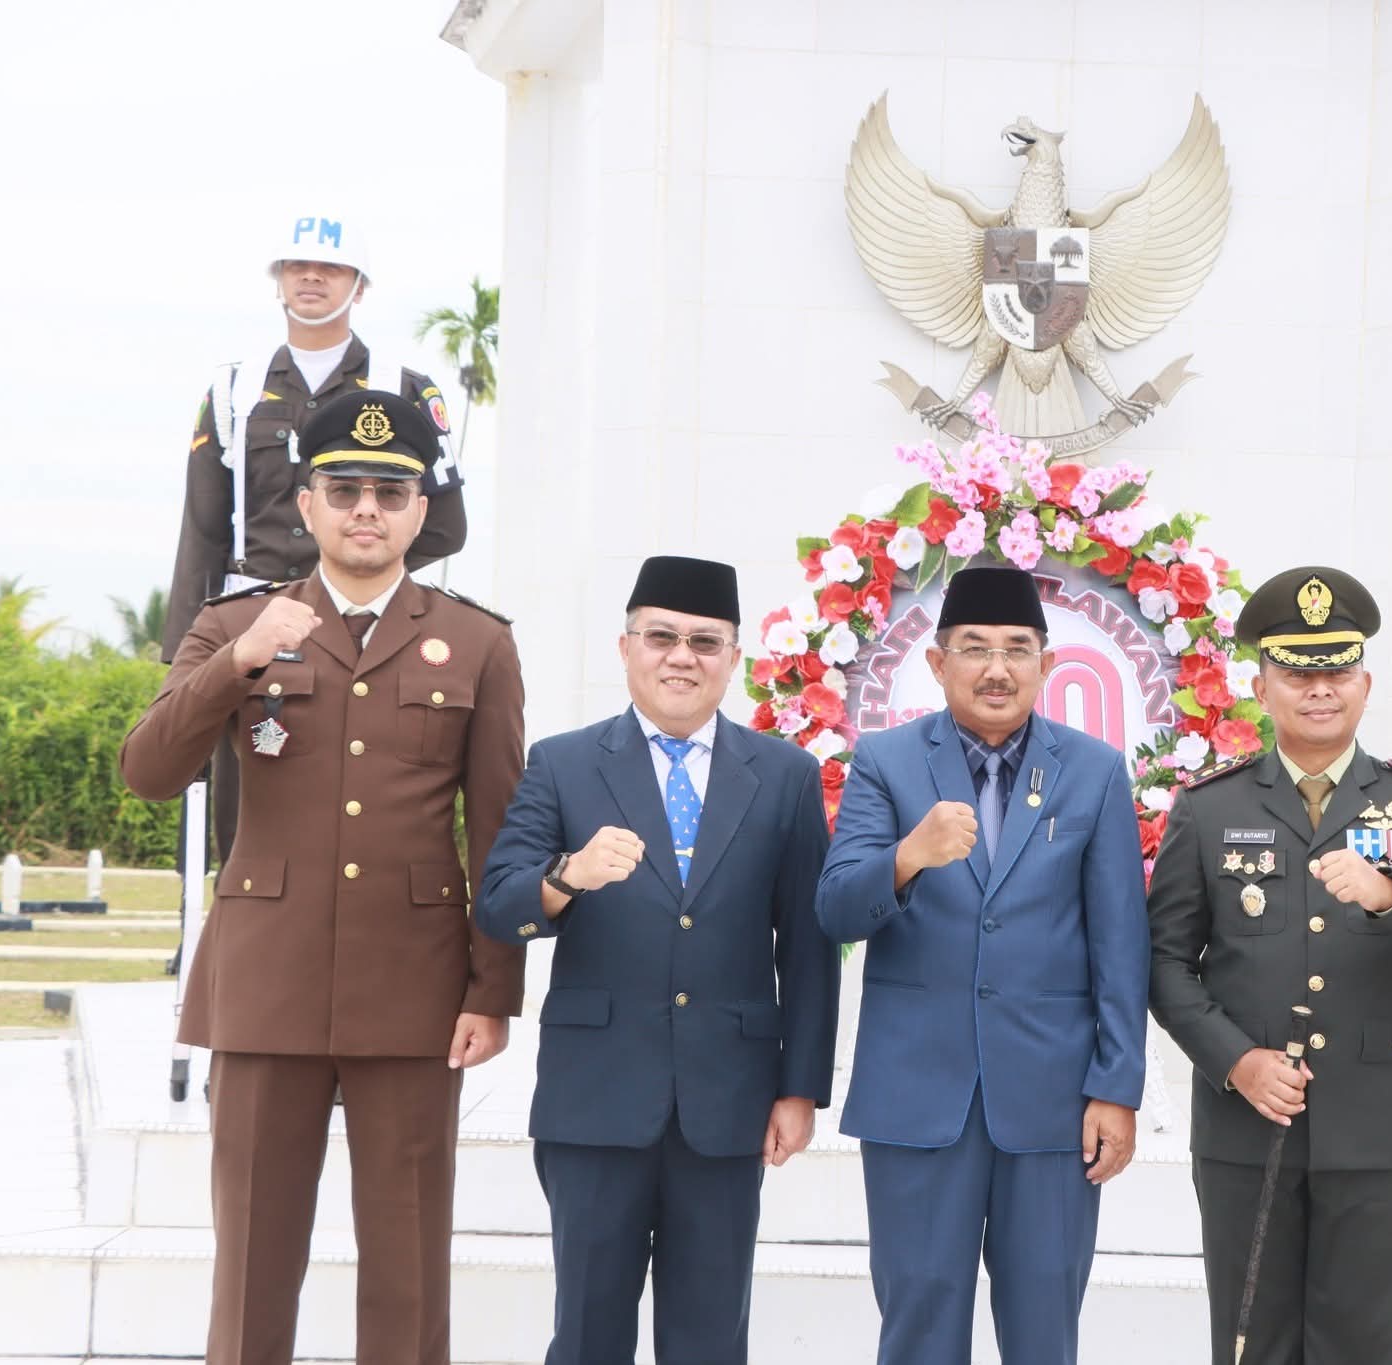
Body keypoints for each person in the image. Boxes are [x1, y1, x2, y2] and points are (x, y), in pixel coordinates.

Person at [120, 390, 526, 1365]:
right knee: (252, 1263)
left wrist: (493, 990)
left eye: (389, 491)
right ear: (306, 504)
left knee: (409, 1265)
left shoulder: (477, 642)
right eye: (343, 489)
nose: (365, 509)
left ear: (420, 511)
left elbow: (498, 830)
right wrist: (237, 663)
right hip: (268, 981)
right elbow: (148, 771)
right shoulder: (236, 622)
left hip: (415, 987)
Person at [474, 554, 839, 1365]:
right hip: (595, 1097)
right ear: (626, 647)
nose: (682, 656)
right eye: (661, 636)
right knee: (587, 1333)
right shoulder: (564, 762)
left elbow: (808, 945)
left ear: (733, 657)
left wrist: (800, 1087)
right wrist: (566, 875)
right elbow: (498, 903)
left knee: (710, 1338)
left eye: (705, 641)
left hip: (727, 1102)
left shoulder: (784, 775)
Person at [1146, 566, 1392, 1365]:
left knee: (1359, 1349)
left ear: (1365, 685)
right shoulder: (1210, 808)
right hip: (1247, 1126)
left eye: (1337, 671)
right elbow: (1165, 963)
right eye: (1297, 673)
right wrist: (1235, 1061)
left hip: (1375, 1130)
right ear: (1261, 687)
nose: (1319, 689)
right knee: (1252, 1347)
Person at [815, 565, 1149, 1365]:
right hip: (918, 1097)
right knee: (920, 1327)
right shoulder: (887, 761)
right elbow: (835, 910)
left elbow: (1120, 942)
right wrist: (907, 855)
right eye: (975, 648)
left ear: (1046, 663)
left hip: (1053, 1102)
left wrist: (1116, 1086)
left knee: (1043, 1329)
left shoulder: (1094, 769)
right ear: (938, 662)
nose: (996, 668)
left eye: (1016, 648)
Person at [163, 213, 469, 864]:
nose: (311, 277)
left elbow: (446, 525)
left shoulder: (406, 387)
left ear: (360, 286)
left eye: (330, 267)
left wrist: (354, 577)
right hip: (254, 621)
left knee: (368, 785)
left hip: (367, 623)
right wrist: (188, 654)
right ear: (277, 280)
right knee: (246, 801)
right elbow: (203, 529)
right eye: (296, 266)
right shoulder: (232, 389)